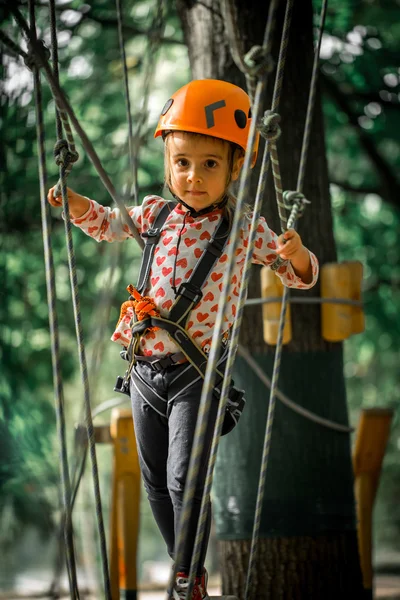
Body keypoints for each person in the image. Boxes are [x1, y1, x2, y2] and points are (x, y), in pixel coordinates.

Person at [48, 79, 319, 600]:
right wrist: (75, 201)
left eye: (210, 164)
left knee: (182, 480)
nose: (193, 177)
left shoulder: (245, 229)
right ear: (169, 163)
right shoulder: (156, 214)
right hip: (146, 369)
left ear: (235, 167)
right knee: (155, 483)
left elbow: (297, 276)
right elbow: (107, 224)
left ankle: (184, 575)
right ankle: (187, 571)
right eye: (183, 163)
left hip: (198, 375)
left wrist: (298, 251)